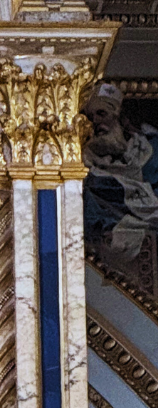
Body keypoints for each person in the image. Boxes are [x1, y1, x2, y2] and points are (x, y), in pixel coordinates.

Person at [83, 83, 158, 270]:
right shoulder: (86, 169)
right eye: (88, 117)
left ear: (119, 118)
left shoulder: (151, 150)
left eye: (101, 114)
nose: (95, 123)